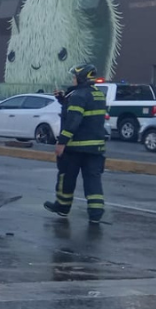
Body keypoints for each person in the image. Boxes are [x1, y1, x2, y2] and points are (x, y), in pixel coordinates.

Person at [45, 64, 107, 223]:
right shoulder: (98, 95)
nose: (72, 79)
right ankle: (96, 213)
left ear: (81, 78)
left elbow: (73, 121)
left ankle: (63, 207)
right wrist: (63, 101)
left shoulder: (78, 96)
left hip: (75, 147)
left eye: (74, 77)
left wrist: (61, 142)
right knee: (93, 180)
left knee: (66, 177)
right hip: (96, 148)